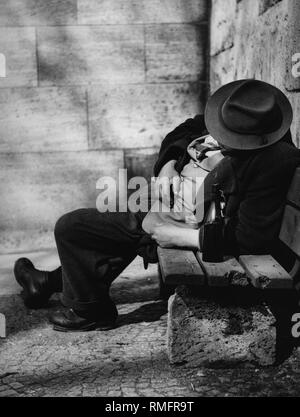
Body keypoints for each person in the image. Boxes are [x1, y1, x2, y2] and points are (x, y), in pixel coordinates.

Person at [14, 79, 300, 332]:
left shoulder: (273, 161)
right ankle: (50, 284)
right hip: (178, 207)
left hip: (194, 226)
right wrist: (168, 166)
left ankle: (85, 308)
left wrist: (181, 237)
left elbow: (251, 238)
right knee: (107, 228)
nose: (222, 138)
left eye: (230, 139)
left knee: (73, 227)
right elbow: (184, 130)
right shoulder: (242, 120)